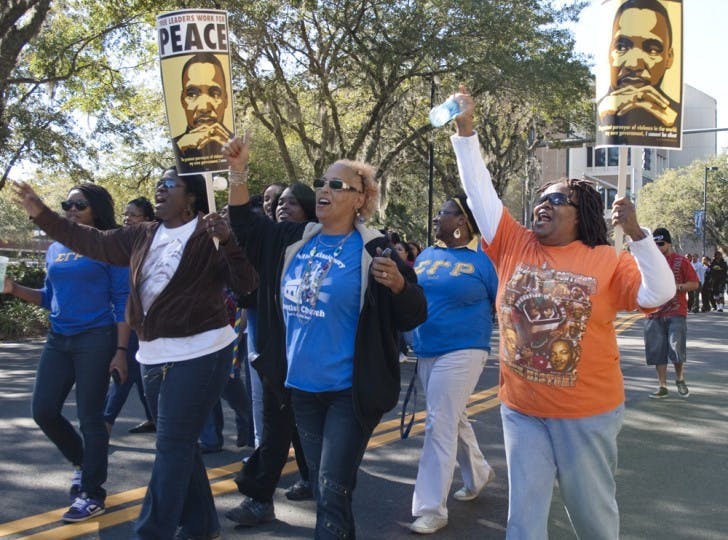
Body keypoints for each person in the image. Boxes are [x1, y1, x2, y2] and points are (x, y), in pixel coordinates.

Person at [448, 89, 675, 539]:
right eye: (541, 198)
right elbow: (478, 190)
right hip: (521, 410)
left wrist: (636, 233)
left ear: (580, 215)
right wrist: (465, 130)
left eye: (556, 200)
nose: (543, 204)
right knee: (524, 521)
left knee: (591, 519)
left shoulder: (607, 259)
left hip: (586, 414)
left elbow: (659, 292)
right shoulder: (513, 242)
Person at [11, 168, 258, 540]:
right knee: (181, 443)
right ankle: (202, 526)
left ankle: (150, 532)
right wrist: (41, 212)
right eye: (156, 183)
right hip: (154, 355)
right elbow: (88, 240)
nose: (158, 189)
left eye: (168, 185)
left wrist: (228, 243)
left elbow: (246, 286)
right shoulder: (141, 234)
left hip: (202, 352)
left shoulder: (210, 234)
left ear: (190, 196)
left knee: (171, 443)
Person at [223, 134, 427, 538]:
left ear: (360, 199)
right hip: (301, 389)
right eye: (322, 182)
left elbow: (415, 313)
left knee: (332, 488)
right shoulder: (294, 239)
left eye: (338, 185)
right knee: (325, 487)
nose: (324, 190)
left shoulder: (377, 250)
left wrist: (400, 287)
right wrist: (237, 170)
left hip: (347, 394)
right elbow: (245, 222)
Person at [2, 184, 130, 522]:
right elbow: (49, 297)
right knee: (43, 410)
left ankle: (92, 492)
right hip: (59, 339)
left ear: (97, 209)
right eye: (67, 204)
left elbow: (122, 300)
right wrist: (15, 289)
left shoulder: (110, 244)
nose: (71, 209)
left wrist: (120, 350)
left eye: (80, 204)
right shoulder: (56, 247)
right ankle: (83, 462)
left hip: (97, 339)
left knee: (91, 419)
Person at [226, 182, 319, 523]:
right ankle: (260, 499)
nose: (283, 206)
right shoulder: (268, 240)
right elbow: (242, 226)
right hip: (276, 352)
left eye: (293, 202)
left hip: (312, 354)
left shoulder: (321, 241)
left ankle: (319, 488)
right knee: (276, 427)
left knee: (305, 429)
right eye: (280, 202)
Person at [408, 196, 498, 535]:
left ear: (462, 220)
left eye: (444, 212)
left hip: (465, 349)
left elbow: (500, 301)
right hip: (426, 348)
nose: (437, 218)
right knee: (452, 418)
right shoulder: (428, 255)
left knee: (438, 423)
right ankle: (478, 473)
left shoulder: (483, 261)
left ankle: (432, 508)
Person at [104, 197, 156, 435]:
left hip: (141, 321)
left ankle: (106, 421)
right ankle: (154, 418)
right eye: (125, 214)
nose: (127, 219)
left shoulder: (152, 246)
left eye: (133, 215)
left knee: (124, 372)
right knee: (136, 373)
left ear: (147, 219)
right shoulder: (121, 244)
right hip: (119, 319)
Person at [597, 0, 680, 139]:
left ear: (669, 58)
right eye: (622, 47)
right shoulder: (598, 113)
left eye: (652, 50)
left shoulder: (675, 117)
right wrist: (603, 118)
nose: (634, 64)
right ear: (608, 52)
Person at [644, 228, 699, 399]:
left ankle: (680, 379)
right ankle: (662, 386)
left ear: (669, 243)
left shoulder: (681, 261)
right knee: (657, 351)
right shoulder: (649, 263)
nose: (658, 247)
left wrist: (678, 287)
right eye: (655, 244)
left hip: (676, 312)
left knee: (676, 347)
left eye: (661, 243)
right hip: (654, 313)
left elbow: (695, 284)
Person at [173, 52, 234, 159]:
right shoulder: (177, 147)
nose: (204, 108)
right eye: (192, 94)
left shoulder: (238, 147)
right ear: (182, 100)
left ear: (226, 99)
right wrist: (179, 151)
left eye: (215, 94)